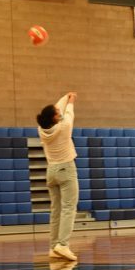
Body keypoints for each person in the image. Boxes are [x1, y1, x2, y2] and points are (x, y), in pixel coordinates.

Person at [37, 92, 79, 261]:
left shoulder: (42, 129)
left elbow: (57, 108)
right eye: (57, 112)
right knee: (69, 207)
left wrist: (65, 96)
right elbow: (68, 113)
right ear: (56, 117)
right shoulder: (64, 126)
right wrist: (71, 101)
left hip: (51, 171)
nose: (59, 111)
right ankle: (63, 244)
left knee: (56, 210)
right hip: (66, 170)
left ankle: (54, 246)